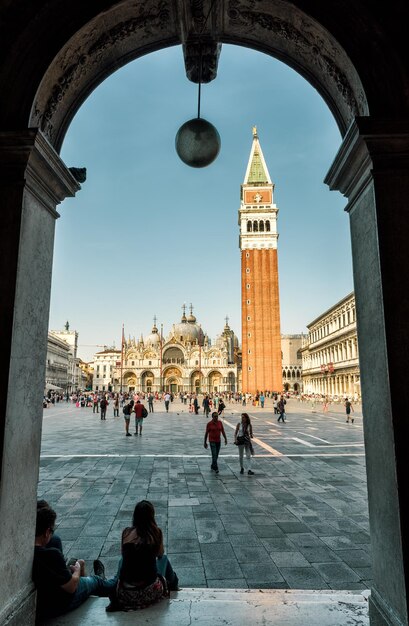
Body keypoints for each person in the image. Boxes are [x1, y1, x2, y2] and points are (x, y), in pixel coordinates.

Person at [33, 505, 118, 619]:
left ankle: (93, 582)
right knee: (96, 581)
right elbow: (71, 586)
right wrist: (77, 570)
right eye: (52, 530)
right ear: (47, 532)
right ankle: (105, 580)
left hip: (43, 600)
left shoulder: (27, 552)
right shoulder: (51, 554)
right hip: (61, 602)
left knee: (56, 540)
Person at [106, 500, 178, 612]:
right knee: (164, 559)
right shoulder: (156, 533)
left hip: (126, 594)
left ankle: (113, 582)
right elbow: (160, 554)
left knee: (122, 560)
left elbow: (123, 554)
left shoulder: (126, 532)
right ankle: (174, 583)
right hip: (149, 593)